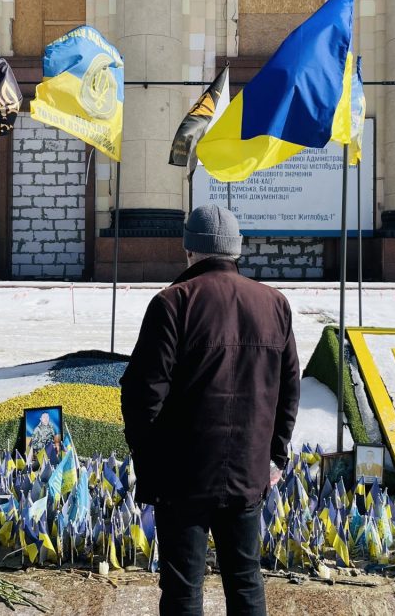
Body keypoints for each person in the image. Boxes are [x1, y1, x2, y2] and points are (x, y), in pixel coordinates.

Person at [121, 204, 300, 616]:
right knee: (246, 579)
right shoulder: (275, 303)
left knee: (183, 589)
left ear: (188, 250)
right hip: (248, 472)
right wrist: (273, 454)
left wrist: (150, 463)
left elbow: (142, 395)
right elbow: (289, 389)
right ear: (236, 251)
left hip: (181, 476)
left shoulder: (173, 302)